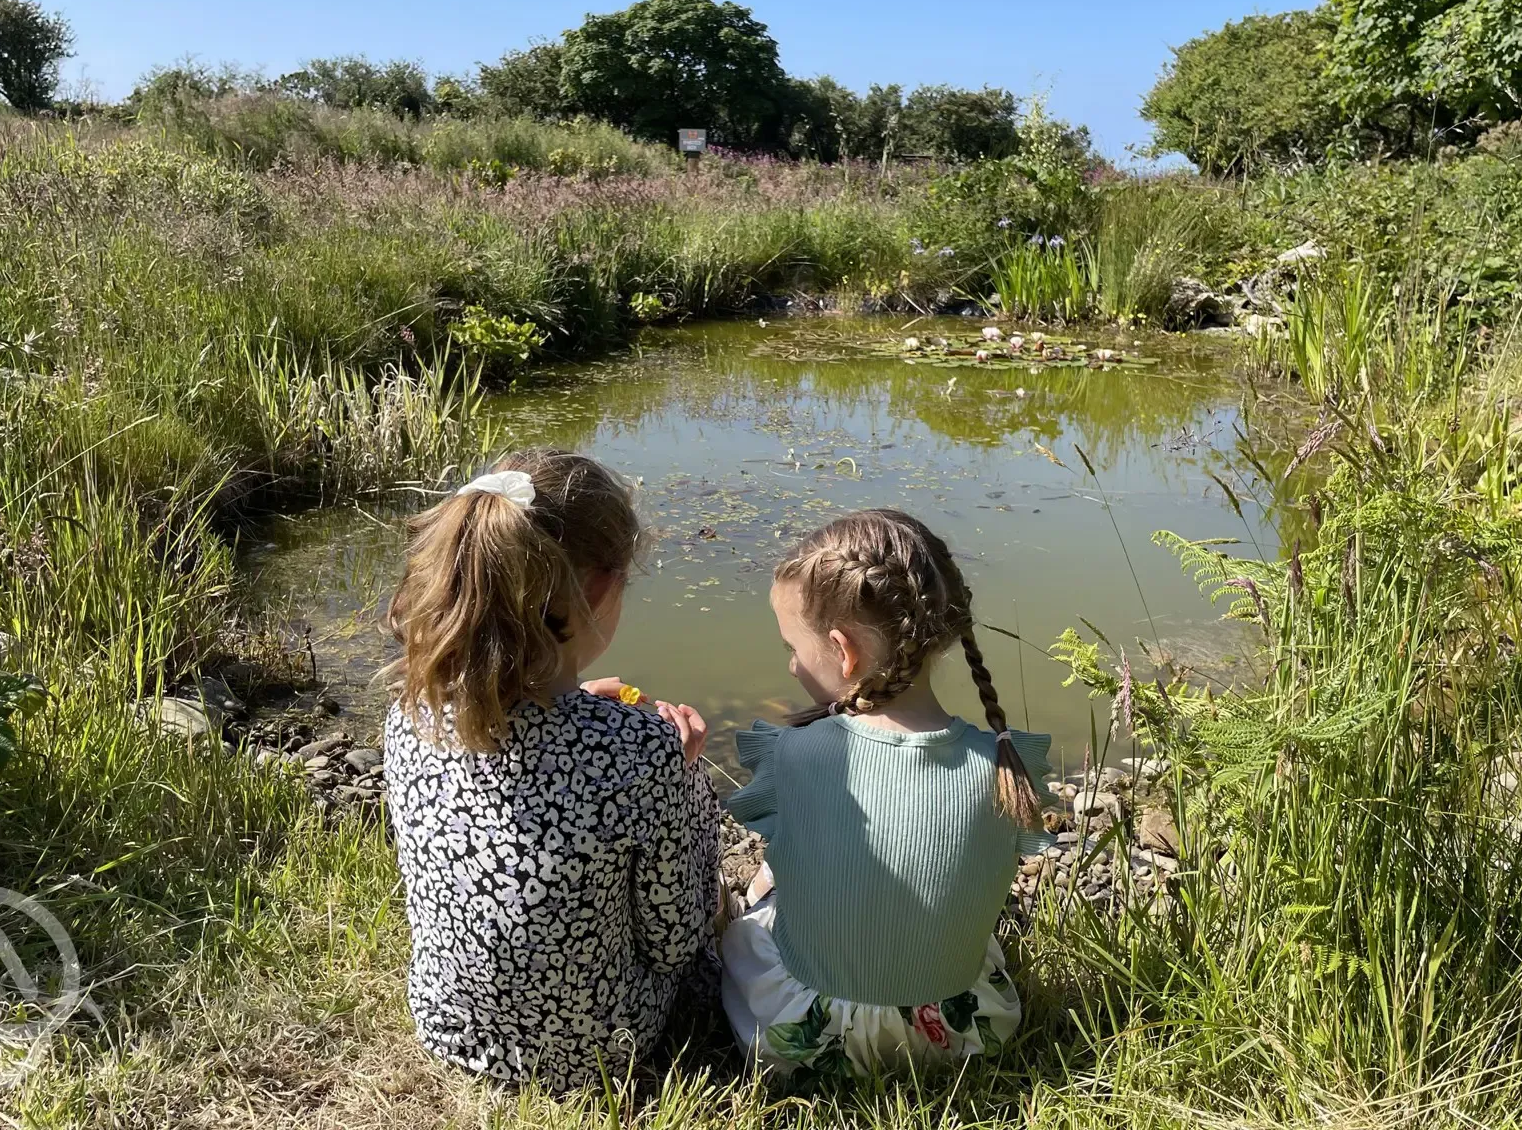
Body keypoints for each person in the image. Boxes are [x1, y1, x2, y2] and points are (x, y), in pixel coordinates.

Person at [380, 449, 720, 1092]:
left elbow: (532, 766)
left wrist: (588, 723)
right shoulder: (641, 754)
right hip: (594, 1046)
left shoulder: (412, 712)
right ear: (598, 588)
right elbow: (677, 939)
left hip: (448, 1021)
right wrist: (685, 777)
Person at [722, 508, 1051, 1076]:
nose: (793, 663)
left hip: (809, 1039)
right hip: (963, 1031)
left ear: (843, 651)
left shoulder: (791, 753)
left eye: (792, 647)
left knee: (749, 920)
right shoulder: (1002, 763)